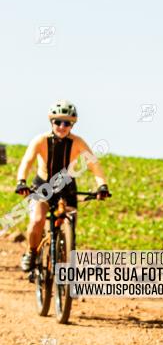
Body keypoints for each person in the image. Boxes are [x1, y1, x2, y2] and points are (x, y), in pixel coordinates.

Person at [14, 100, 110, 272]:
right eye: (58, 122)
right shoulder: (40, 140)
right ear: (51, 122)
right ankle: (32, 252)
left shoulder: (78, 142)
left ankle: (65, 263)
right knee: (37, 220)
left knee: (70, 227)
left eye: (67, 123)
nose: (62, 126)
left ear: (72, 125)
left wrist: (102, 185)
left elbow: (94, 165)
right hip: (42, 187)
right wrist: (21, 181)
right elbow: (27, 162)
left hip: (67, 189)